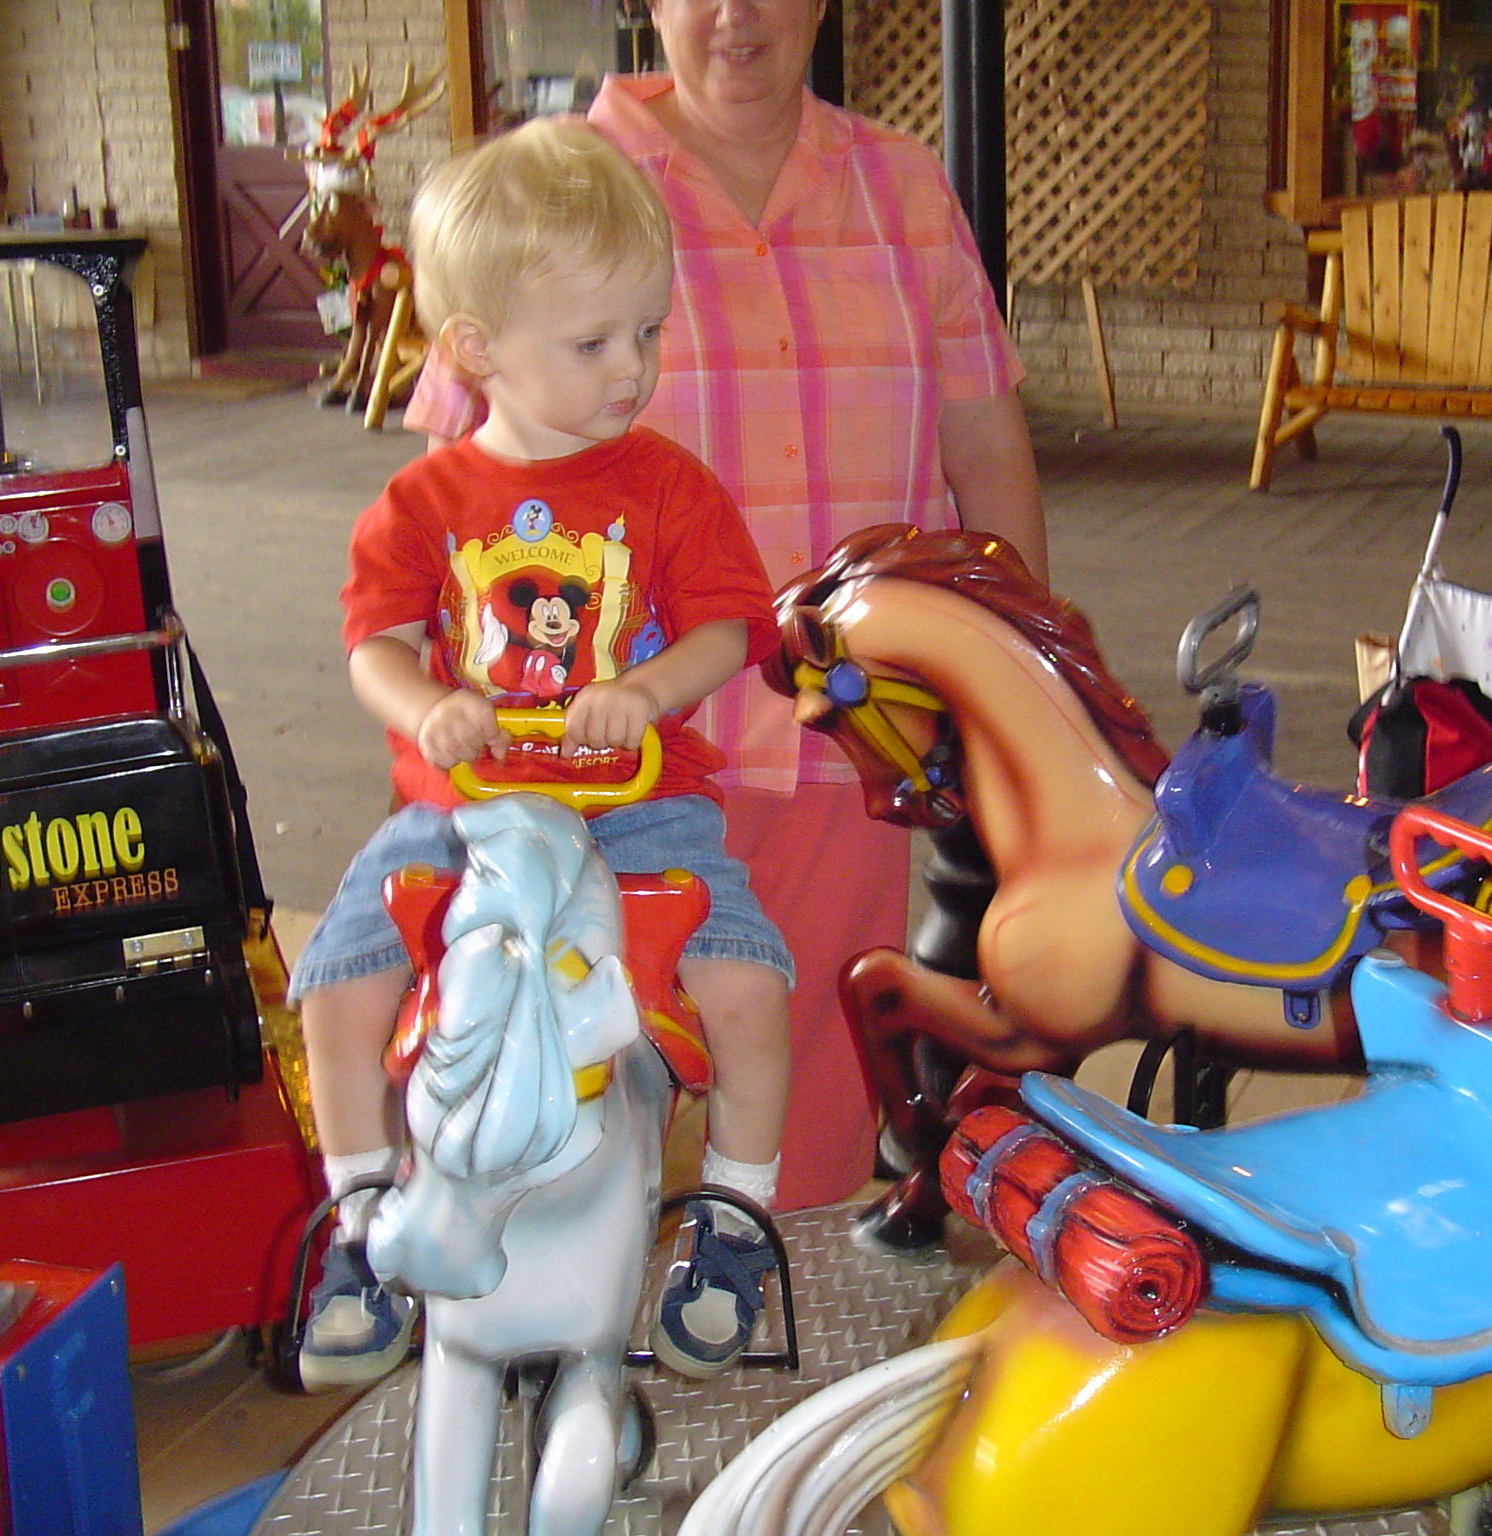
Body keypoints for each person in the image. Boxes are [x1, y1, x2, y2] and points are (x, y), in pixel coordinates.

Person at [404, 0, 1047, 1214]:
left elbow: (983, 443)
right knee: (570, 1098)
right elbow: (448, 482)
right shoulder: (553, 187)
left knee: (808, 1110)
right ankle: (567, 1314)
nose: (734, 14)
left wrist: (1015, 677)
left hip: (842, 740)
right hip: (597, 759)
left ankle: (768, 1307)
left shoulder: (901, 191)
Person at [292, 117, 797, 1390]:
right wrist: (427, 707)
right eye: (592, 343)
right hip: (460, 813)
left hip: (638, 811)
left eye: (647, 332)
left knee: (748, 989)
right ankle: (360, 1222)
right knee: (336, 983)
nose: (632, 368)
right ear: (475, 349)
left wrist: (646, 690)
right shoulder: (421, 502)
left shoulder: (668, 487)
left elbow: (728, 628)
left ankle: (734, 1219)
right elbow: (373, 646)